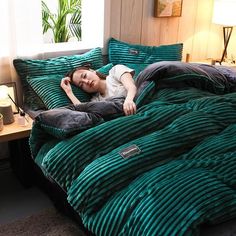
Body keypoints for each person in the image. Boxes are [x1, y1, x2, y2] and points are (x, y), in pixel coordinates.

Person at [60, 64, 137, 116]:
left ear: (92, 71)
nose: (86, 82)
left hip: (137, 98)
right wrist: (69, 92)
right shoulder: (96, 101)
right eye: (81, 84)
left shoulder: (115, 71)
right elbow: (84, 113)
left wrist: (129, 100)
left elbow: (131, 87)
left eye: (85, 76)